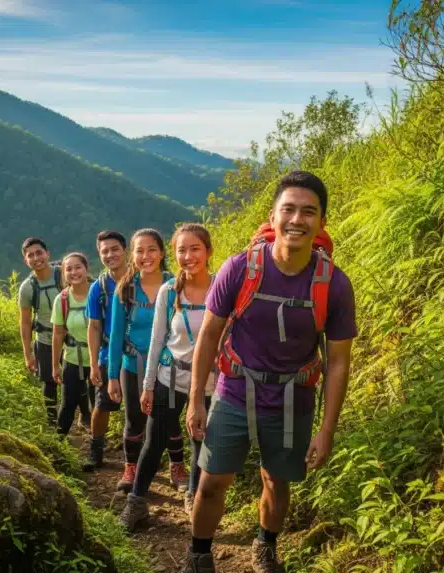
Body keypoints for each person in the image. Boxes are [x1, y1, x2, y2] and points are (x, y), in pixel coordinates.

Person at [181, 171, 357, 573]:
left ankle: (266, 546)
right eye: (289, 209)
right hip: (233, 391)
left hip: (294, 398)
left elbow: (337, 360)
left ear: (321, 222)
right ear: (273, 216)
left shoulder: (334, 284)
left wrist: (327, 429)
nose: (297, 219)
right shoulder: (239, 268)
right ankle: (198, 555)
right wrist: (196, 400)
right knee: (210, 483)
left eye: (308, 212)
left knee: (277, 483)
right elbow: (208, 335)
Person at [119, 224, 217, 531]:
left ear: (208, 251)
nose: (188, 257)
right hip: (169, 377)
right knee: (154, 440)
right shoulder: (169, 291)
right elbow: (157, 340)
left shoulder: (221, 288)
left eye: (195, 249)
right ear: (173, 255)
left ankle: (192, 494)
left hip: (212, 382)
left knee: (200, 441)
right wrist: (148, 385)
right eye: (181, 250)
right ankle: (136, 502)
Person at [107, 229, 188, 494]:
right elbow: (117, 334)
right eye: (140, 251)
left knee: (169, 419)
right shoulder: (126, 290)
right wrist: (111, 375)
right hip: (133, 365)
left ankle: (177, 466)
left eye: (152, 249)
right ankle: (131, 466)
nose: (146, 256)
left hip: (169, 368)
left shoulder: (177, 285)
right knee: (134, 420)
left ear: (162, 253)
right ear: (133, 255)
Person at [85, 231, 129, 471]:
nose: (110, 255)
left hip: (140, 355)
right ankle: (96, 449)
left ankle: (135, 458)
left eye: (114, 249)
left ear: (125, 250)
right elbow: (93, 326)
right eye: (104, 251)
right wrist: (93, 364)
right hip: (108, 355)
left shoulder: (142, 280)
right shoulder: (99, 287)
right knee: (102, 406)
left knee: (141, 407)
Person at [18, 237, 62, 425]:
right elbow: (25, 323)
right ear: (25, 261)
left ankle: (83, 418)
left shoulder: (64, 274)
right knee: (49, 382)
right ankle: (52, 423)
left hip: (71, 338)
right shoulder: (27, 288)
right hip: (45, 338)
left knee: (77, 381)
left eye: (39, 253)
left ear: (47, 254)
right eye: (30, 255)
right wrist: (28, 354)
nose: (36, 258)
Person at [52, 252, 94, 436]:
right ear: (63, 273)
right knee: (68, 404)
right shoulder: (61, 299)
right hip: (72, 358)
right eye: (68, 269)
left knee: (98, 405)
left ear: (86, 269)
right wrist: (55, 365)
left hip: (98, 359)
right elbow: (58, 333)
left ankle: (96, 450)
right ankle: (57, 450)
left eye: (78, 267)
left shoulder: (98, 294)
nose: (74, 272)